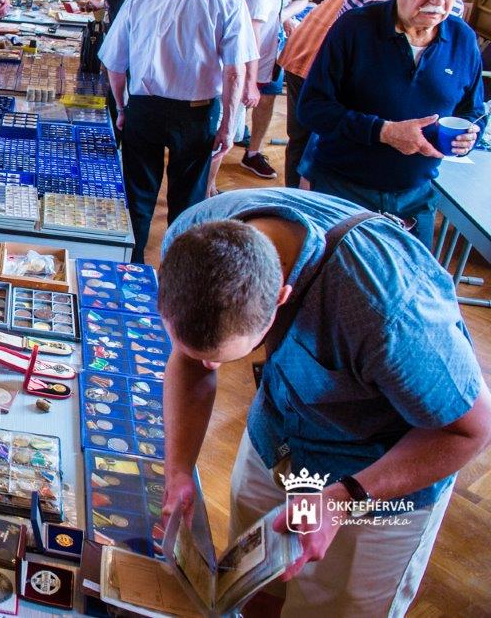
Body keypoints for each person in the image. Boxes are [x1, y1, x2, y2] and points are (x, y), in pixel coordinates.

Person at [158, 188, 491, 618]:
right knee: (250, 590)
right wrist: (179, 469)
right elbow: (191, 361)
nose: (205, 366)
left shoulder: (391, 312)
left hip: (376, 475)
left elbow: (471, 431)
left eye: (219, 359)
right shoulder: (194, 238)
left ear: (280, 299)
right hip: (279, 433)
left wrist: (340, 499)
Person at [297, 0, 482, 243]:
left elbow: (472, 110)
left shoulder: (462, 39)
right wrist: (384, 132)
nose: (439, 1)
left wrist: (470, 135)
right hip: (342, 189)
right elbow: (312, 108)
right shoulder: (355, 28)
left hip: (416, 197)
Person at [99, 0, 256, 261]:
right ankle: (177, 269)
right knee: (188, 201)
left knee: (138, 196)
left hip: (146, 108)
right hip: (198, 111)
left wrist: (122, 108)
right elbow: (235, 71)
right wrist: (229, 125)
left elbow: (114, 63)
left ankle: (132, 266)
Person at [277, 0, 464, 189]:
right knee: (306, 142)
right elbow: (335, 42)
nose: (439, 0)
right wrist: (384, 129)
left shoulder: (455, 19)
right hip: (309, 60)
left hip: (409, 176)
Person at [221, 0, 320, 182]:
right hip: (246, 56)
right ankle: (205, 189)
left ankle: (250, 153)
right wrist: (250, 80)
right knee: (225, 128)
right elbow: (252, 27)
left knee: (235, 120)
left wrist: (280, 16)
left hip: (268, 48)